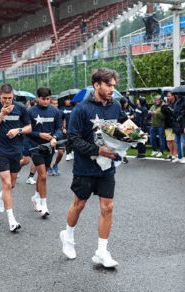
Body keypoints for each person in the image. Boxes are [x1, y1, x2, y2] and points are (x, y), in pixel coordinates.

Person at [60, 68, 120, 268]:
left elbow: (116, 132)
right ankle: (67, 237)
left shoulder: (116, 106)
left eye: (114, 85)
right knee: (79, 204)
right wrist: (97, 150)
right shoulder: (81, 109)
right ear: (97, 85)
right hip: (85, 167)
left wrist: (123, 144)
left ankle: (101, 251)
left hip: (107, 168)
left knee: (108, 207)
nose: (112, 89)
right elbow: (73, 140)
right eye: (108, 85)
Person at [0, 84, 32, 232]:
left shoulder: (20, 108)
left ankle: (0, 196)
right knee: (6, 184)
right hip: (0, 151)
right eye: (4, 98)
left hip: (16, 150)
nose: (7, 101)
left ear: (13, 96)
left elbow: (28, 127)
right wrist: (1, 115)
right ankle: (12, 220)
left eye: (10, 98)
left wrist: (17, 130)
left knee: (11, 185)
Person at [28, 87, 63, 217]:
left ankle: (36, 196)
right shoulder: (30, 112)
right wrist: (39, 134)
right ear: (37, 97)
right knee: (43, 176)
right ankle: (44, 206)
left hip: (49, 148)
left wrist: (55, 138)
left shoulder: (55, 111)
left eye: (48, 99)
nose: (46, 102)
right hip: (35, 147)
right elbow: (26, 130)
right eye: (43, 99)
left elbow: (59, 128)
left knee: (41, 177)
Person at [47, 97, 64, 176]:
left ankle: (55, 165)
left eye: (56, 103)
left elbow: (63, 120)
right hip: (49, 135)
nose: (55, 105)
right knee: (50, 153)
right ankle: (49, 167)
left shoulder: (60, 112)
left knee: (61, 152)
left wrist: (63, 127)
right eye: (53, 104)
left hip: (58, 134)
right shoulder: (46, 112)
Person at [172, 94, 185, 164]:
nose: (176, 95)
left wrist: (179, 118)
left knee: (184, 141)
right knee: (177, 141)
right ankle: (179, 156)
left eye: (177, 94)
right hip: (176, 124)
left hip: (182, 124)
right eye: (175, 94)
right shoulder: (176, 102)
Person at [161, 92, 178, 161]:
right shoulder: (168, 104)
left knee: (173, 140)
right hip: (167, 125)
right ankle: (171, 154)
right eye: (167, 96)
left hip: (173, 125)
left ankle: (175, 154)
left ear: (173, 96)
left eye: (169, 96)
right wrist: (163, 106)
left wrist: (166, 107)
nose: (168, 97)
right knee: (169, 140)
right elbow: (163, 113)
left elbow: (173, 113)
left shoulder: (176, 104)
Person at [60, 97, 74, 161]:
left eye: (69, 99)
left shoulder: (74, 108)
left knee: (73, 140)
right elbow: (62, 119)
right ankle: (68, 153)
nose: (68, 101)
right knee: (67, 140)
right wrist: (63, 127)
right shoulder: (62, 108)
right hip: (67, 127)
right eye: (66, 100)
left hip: (74, 126)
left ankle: (72, 152)